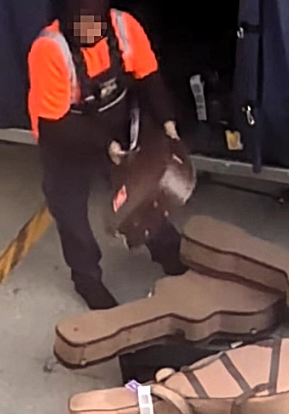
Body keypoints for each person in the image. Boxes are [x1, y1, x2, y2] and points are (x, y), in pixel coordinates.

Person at [27, 0, 187, 309]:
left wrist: (168, 124)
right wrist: (105, 146)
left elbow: (149, 77)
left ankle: (169, 252)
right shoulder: (49, 50)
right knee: (70, 213)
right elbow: (53, 125)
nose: (90, 30)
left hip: (116, 124)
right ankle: (87, 280)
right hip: (64, 137)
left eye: (96, 22)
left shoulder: (125, 27)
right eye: (82, 23)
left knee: (141, 194)